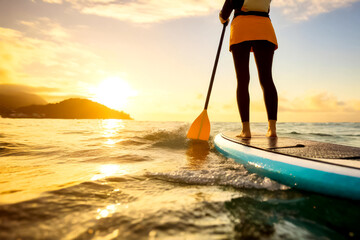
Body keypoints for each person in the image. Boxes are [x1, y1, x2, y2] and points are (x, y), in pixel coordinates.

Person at [219, 0, 278, 138]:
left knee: (243, 80)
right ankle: (272, 129)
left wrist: (223, 18)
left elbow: (228, 7)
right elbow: (265, 8)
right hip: (264, 29)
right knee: (267, 79)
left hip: (241, 29)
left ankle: (246, 130)